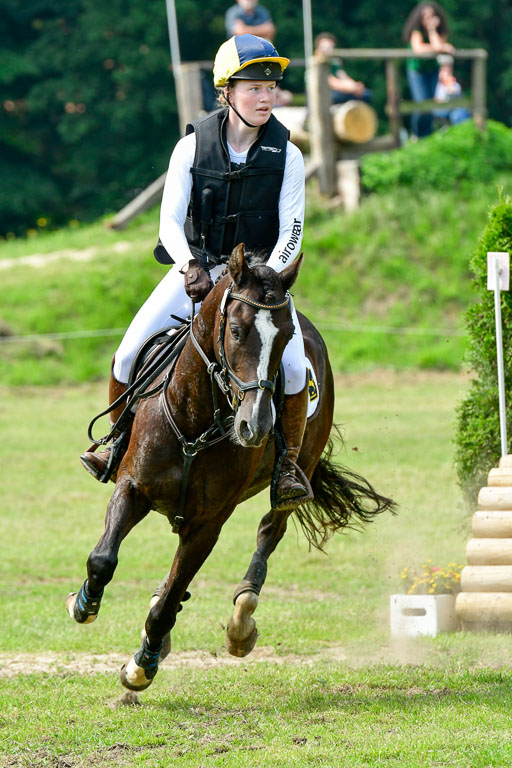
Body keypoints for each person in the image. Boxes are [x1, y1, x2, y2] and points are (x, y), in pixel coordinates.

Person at [80, 34, 312, 512]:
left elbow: (293, 229)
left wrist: (264, 273)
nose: (266, 96)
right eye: (253, 87)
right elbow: (168, 219)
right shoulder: (191, 147)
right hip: (199, 268)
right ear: (226, 91)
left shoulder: (289, 155)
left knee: (293, 368)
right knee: (126, 355)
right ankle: (116, 445)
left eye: (271, 86)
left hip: (256, 282)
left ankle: (287, 464)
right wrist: (188, 265)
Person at [402, 3, 455, 138]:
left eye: (432, 16)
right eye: (425, 17)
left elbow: (437, 45)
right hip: (417, 71)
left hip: (432, 70)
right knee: (421, 104)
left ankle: (426, 137)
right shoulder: (416, 31)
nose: (428, 19)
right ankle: (416, 134)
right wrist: (441, 47)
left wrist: (432, 31)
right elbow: (419, 50)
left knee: (431, 105)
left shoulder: (440, 31)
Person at [314, 32, 371, 105]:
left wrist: (356, 86)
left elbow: (343, 77)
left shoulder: (333, 62)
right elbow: (331, 83)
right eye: (324, 47)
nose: (327, 50)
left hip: (336, 92)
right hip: (321, 96)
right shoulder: (316, 64)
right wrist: (353, 89)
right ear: (317, 49)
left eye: (330, 47)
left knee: (366, 94)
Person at [434, 54, 471, 125]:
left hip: (452, 109)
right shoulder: (433, 83)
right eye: (443, 67)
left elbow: (454, 93)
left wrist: (448, 83)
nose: (446, 70)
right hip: (438, 110)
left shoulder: (454, 84)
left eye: (448, 67)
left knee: (459, 113)